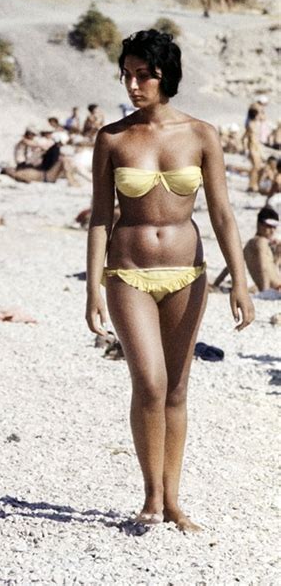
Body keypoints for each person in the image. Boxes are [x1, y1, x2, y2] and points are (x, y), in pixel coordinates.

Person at [86, 29, 254, 533]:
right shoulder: (112, 137)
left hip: (189, 272)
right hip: (128, 272)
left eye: (144, 75)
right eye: (128, 74)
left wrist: (240, 282)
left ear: (167, 77)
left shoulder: (201, 135)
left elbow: (223, 214)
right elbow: (99, 215)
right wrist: (91, 285)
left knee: (178, 388)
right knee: (150, 382)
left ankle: (174, 501)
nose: (134, 84)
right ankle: (150, 498)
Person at [212, 207, 280, 292]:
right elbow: (263, 269)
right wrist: (264, 291)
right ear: (259, 224)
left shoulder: (249, 246)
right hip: (275, 288)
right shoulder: (261, 242)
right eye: (269, 226)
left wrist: (216, 284)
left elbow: (230, 266)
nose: (272, 230)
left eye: (275, 227)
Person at [243, 108, 263, 192]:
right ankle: (251, 186)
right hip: (252, 148)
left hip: (257, 148)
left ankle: (255, 185)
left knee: (258, 167)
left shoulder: (257, 124)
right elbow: (244, 138)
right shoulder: (250, 125)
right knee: (255, 167)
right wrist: (246, 149)